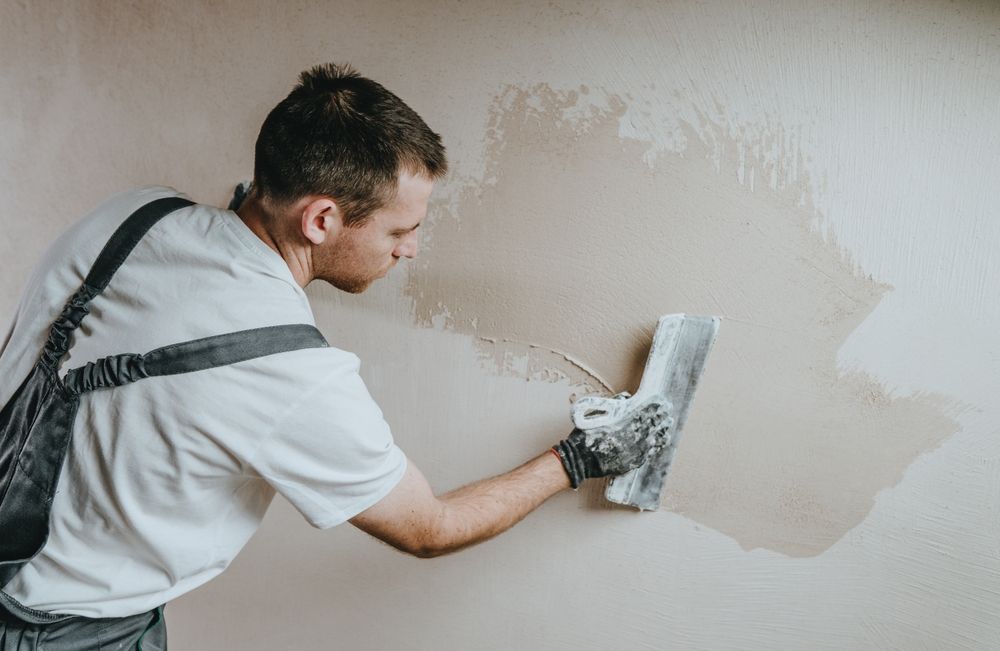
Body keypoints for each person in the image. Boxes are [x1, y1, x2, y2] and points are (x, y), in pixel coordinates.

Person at [0, 63, 667, 648]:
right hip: (70, 631)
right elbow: (427, 526)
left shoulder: (135, 212)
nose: (410, 250)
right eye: (402, 229)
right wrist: (575, 459)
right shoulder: (291, 373)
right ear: (319, 219)